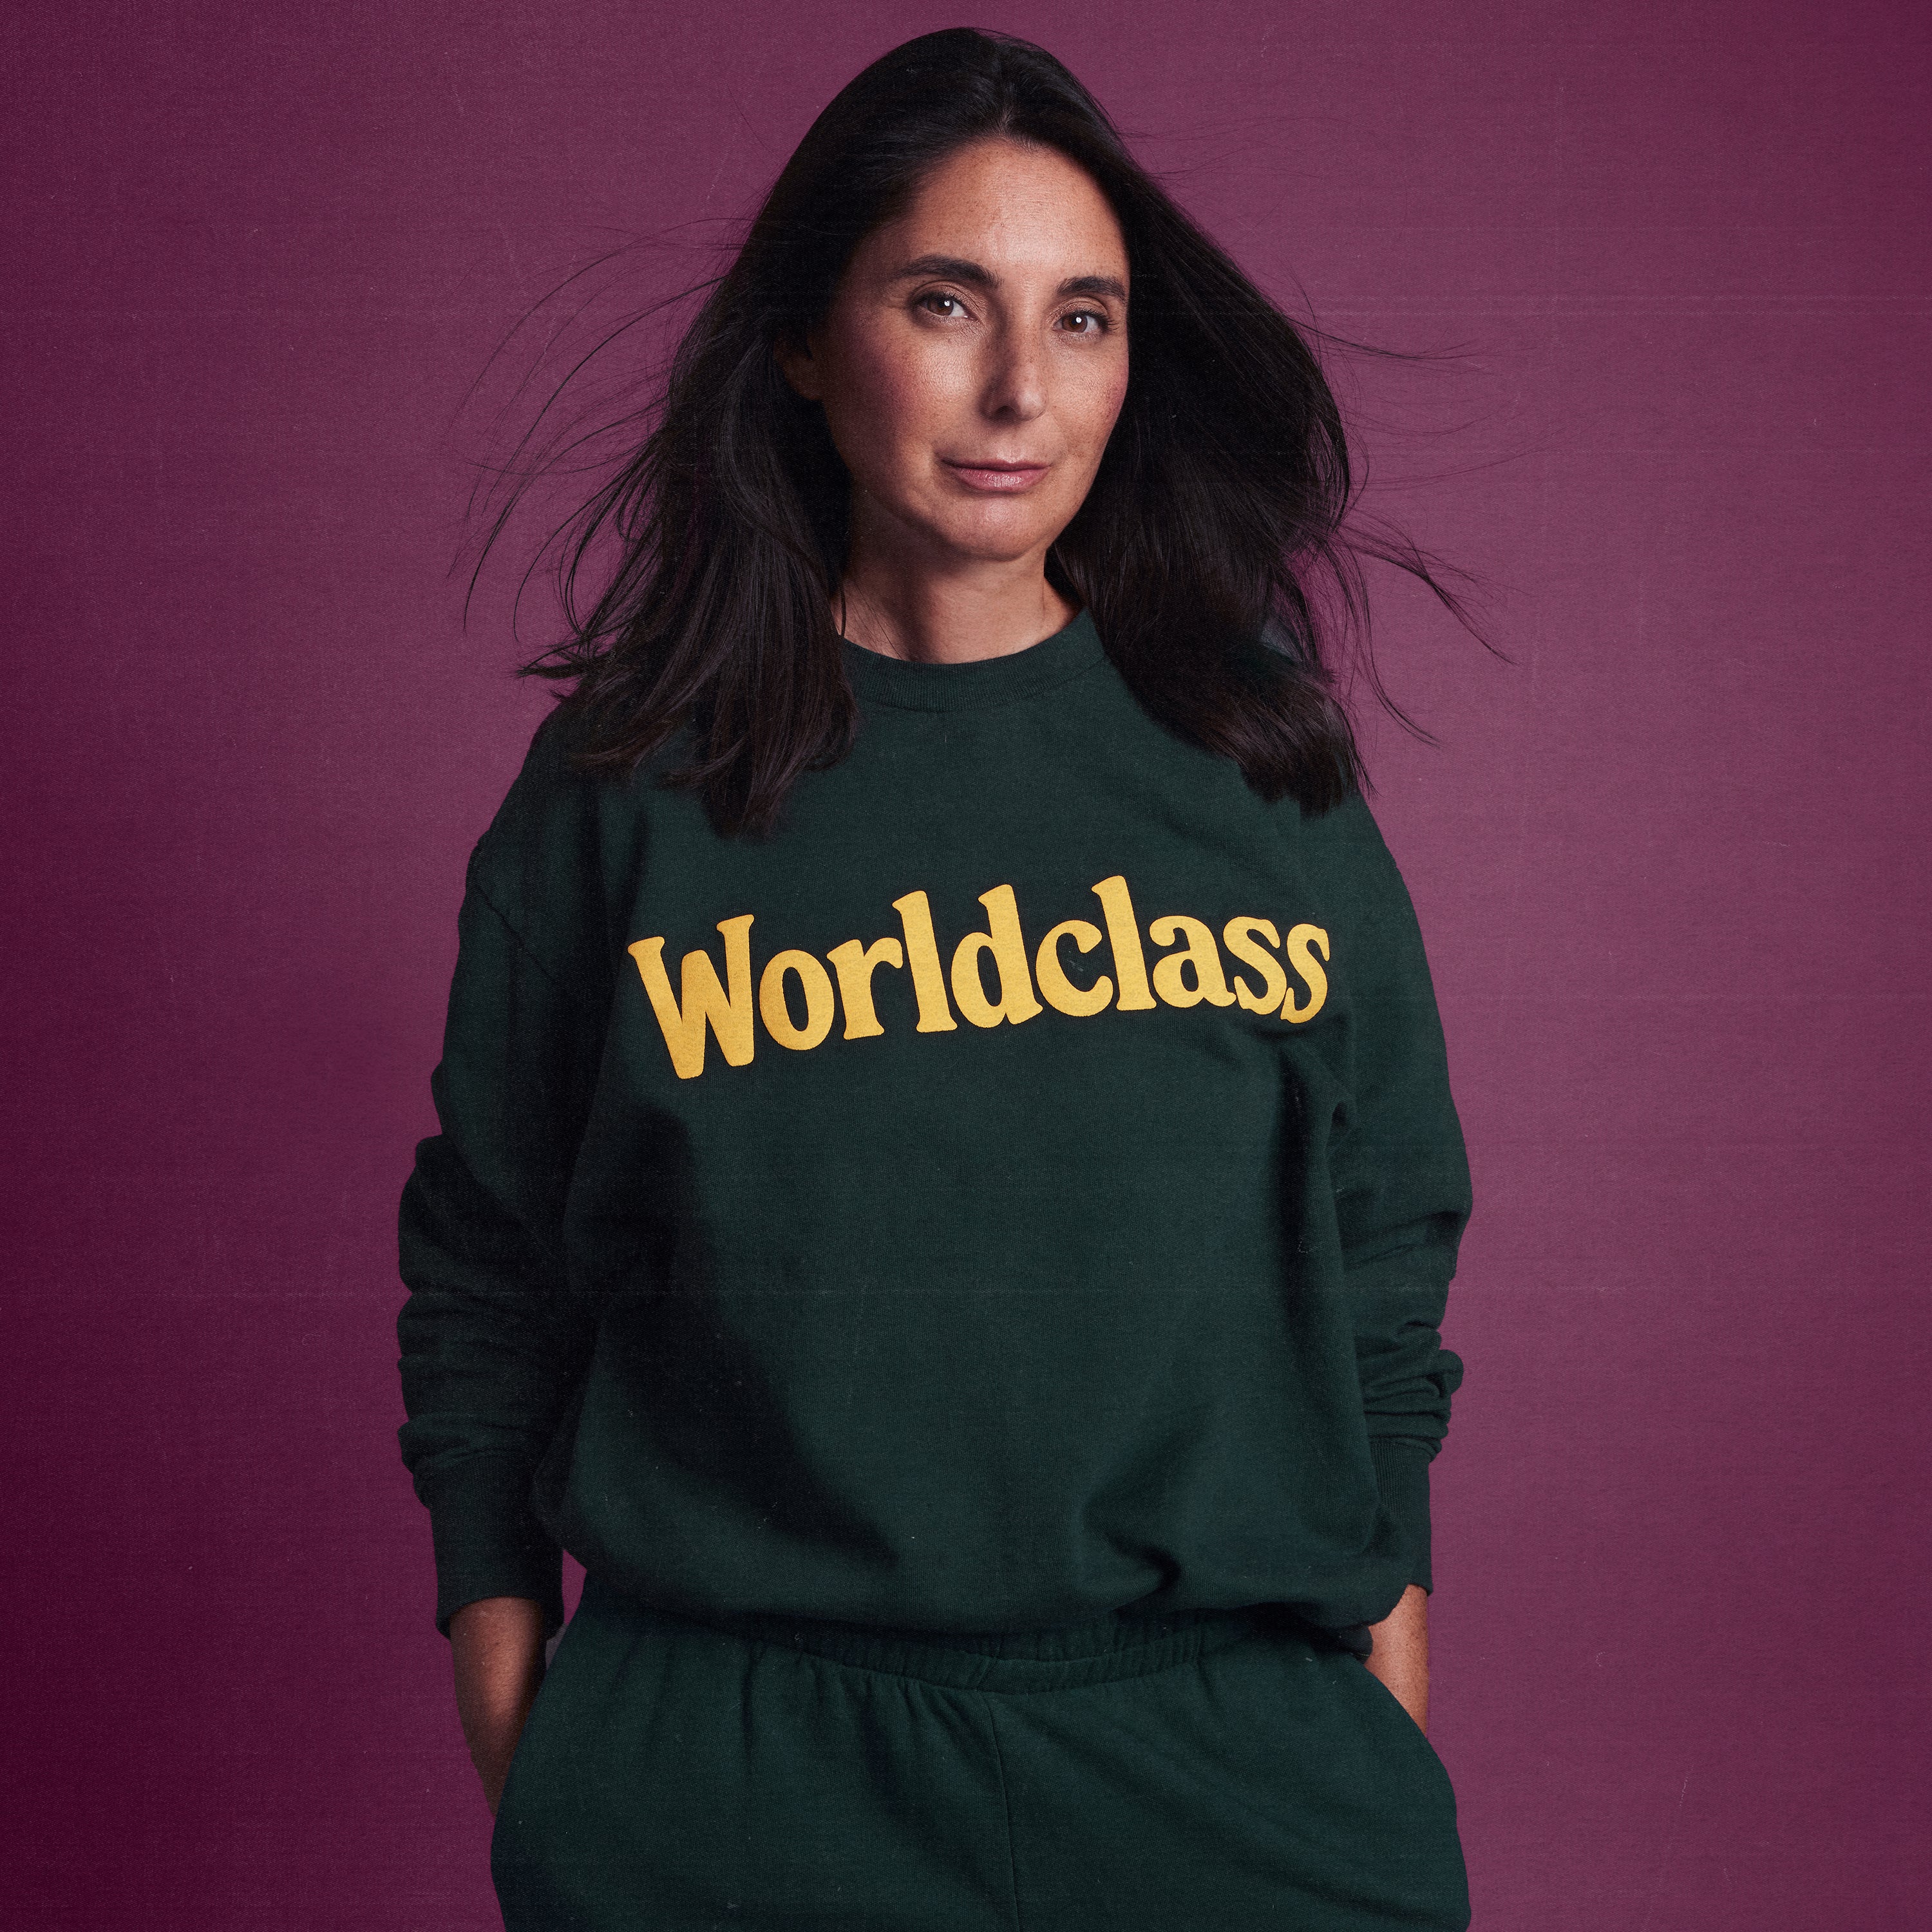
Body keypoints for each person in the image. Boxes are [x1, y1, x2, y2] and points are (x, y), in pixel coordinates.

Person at [396, 27, 1476, 1931]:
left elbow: (1382, 1248)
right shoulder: (627, 794)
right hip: (737, 1777)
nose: (1018, 389)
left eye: (1083, 319)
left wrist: (1374, 1676)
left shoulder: (1260, 768)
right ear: (808, 343)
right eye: (945, 301)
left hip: (1219, 1758)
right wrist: (525, 1728)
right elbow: (491, 1270)